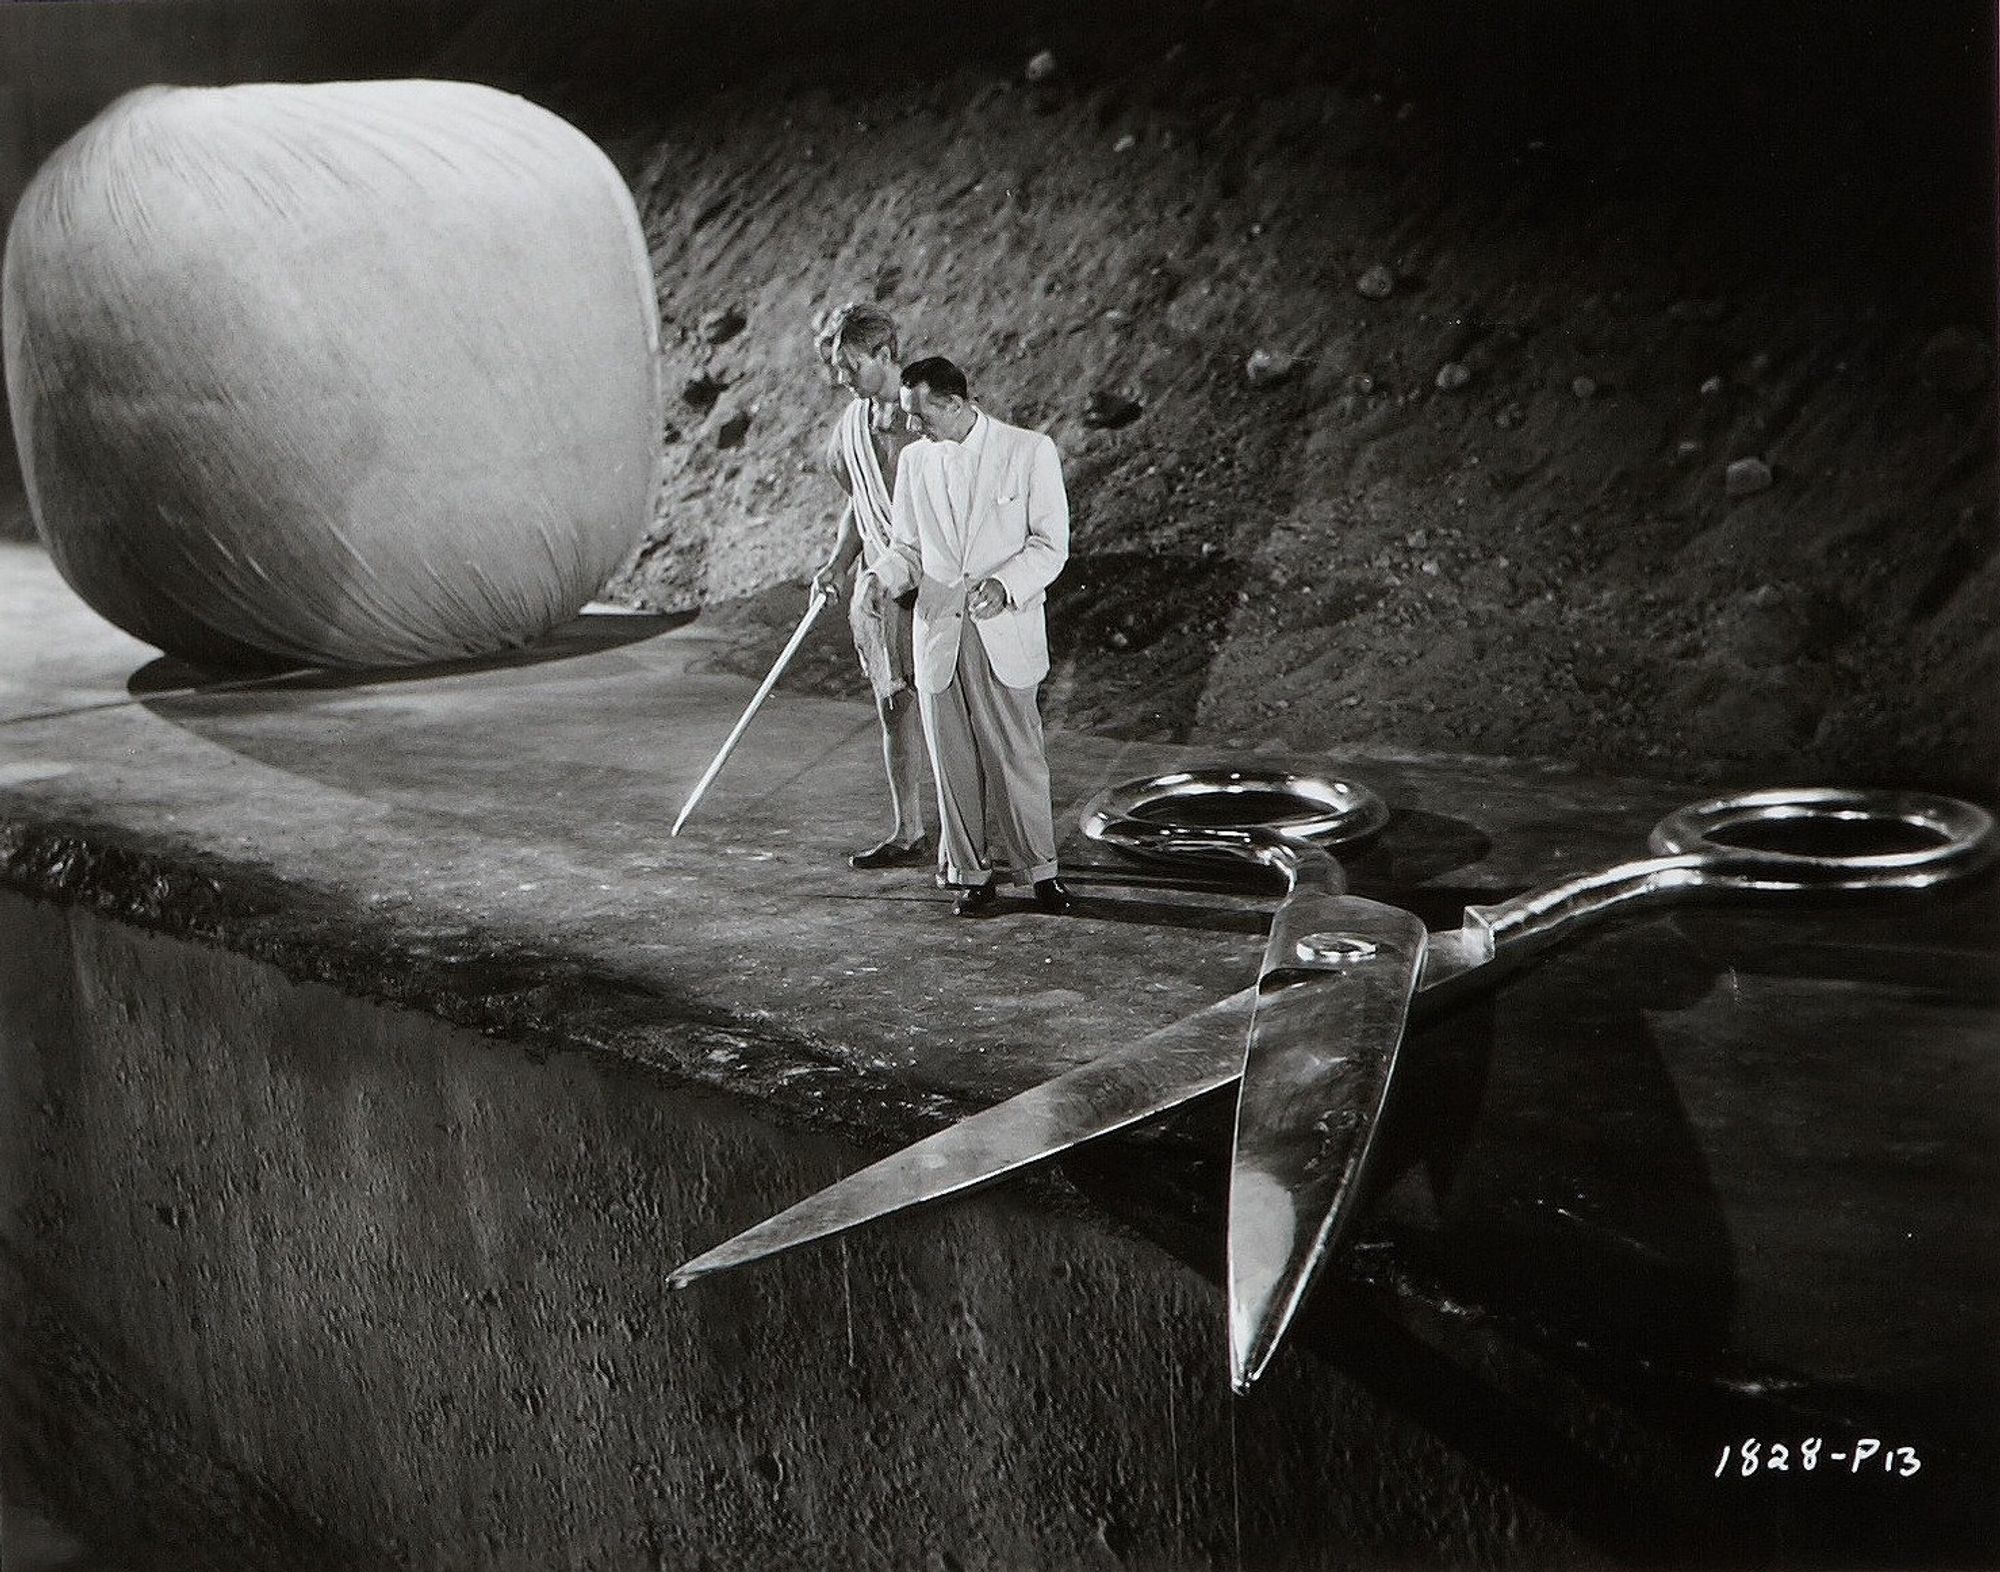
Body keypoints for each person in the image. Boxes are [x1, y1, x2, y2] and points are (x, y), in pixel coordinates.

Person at [870, 356, 1073, 917]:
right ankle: (970, 875)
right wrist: (878, 578)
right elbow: (907, 549)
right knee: (952, 759)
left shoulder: (1030, 451)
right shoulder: (914, 462)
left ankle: (1041, 874)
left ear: (954, 404)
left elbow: (1051, 545)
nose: (912, 425)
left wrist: (1006, 585)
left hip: (1000, 629)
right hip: (939, 632)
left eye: (919, 413)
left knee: (1017, 756)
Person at [808, 303, 931, 869]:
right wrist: (837, 563)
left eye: (850, 366)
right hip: (880, 587)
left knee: (954, 709)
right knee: (894, 706)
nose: (841, 379)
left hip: (938, 584)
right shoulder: (852, 428)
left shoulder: (930, 419)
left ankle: (979, 835)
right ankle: (909, 831)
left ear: (885, 356)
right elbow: (859, 502)